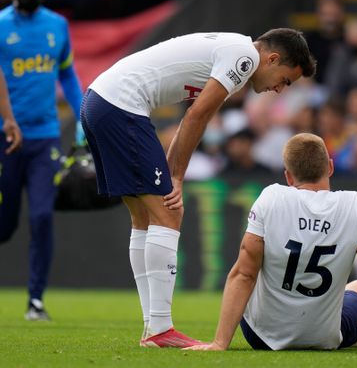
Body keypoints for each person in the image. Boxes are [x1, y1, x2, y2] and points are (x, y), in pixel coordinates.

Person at [80, 28, 316, 348]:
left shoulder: (234, 48)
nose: (279, 89)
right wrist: (176, 176)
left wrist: (172, 171)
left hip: (99, 101)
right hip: (122, 105)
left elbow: (193, 118)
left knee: (144, 217)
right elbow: (197, 116)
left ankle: (153, 326)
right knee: (169, 212)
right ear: (273, 59)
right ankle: (160, 329)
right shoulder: (245, 58)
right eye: (285, 80)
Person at [186, 133, 357, 353]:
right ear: (330, 167)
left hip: (261, 337)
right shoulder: (355, 205)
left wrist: (219, 343)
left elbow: (243, 273)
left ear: (288, 176)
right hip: (325, 338)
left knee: (254, 272)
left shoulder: (271, 198)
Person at [0, 0, 83, 322]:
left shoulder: (58, 26)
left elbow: (67, 75)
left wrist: (83, 118)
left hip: (45, 137)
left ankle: (35, 300)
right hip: (4, 139)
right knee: (5, 225)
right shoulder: (0, 26)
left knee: (42, 216)